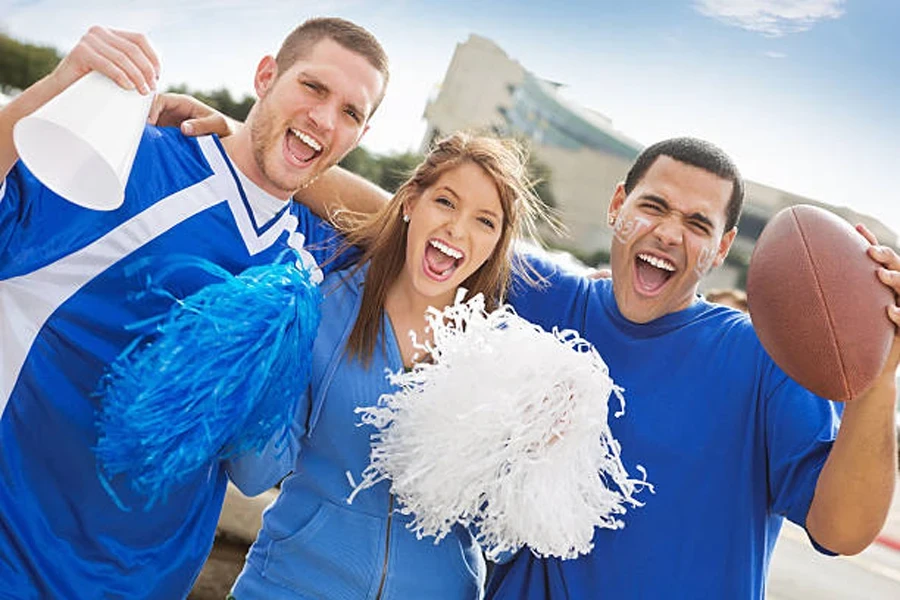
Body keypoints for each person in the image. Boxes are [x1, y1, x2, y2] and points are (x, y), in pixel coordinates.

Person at [274, 136, 899, 599]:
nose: (668, 234)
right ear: (618, 205)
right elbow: (396, 215)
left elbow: (842, 530)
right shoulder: (548, 296)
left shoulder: (759, 357)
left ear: (723, 246)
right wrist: (248, 144)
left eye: (697, 224)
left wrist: (879, 378)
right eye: (653, 207)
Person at [0, 18, 390, 599]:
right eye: (312, 88)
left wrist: (241, 128)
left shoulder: (315, 254)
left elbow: (412, 228)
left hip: (148, 582)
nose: (326, 119)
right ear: (266, 75)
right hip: (15, 550)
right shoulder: (136, 155)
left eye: (352, 113)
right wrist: (60, 82)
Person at [223, 132, 545, 599]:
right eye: (446, 202)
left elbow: (500, 536)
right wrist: (266, 367)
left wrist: (530, 459)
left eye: (485, 221)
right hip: (289, 585)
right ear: (410, 202)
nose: (458, 229)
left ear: (497, 243)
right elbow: (252, 476)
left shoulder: (501, 353)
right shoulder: (327, 304)